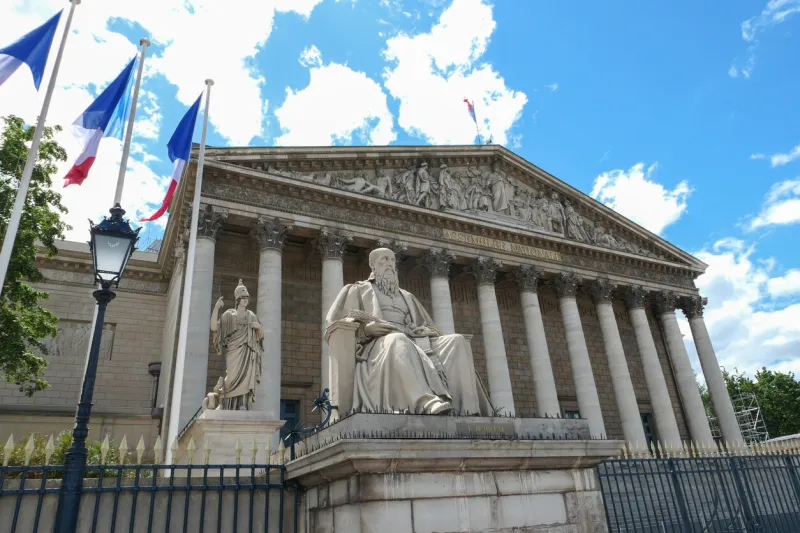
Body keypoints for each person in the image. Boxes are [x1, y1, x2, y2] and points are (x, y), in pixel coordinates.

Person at [325, 248, 492, 415]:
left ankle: (467, 409)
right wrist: (366, 330)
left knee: (456, 341)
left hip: (415, 340)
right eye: (384, 259)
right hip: (379, 343)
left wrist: (421, 330)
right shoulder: (358, 290)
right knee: (398, 340)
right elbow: (335, 324)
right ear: (373, 265)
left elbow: (430, 327)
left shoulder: (407, 296)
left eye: (392, 260)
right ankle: (425, 403)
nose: (389, 264)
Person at [206, 280, 264, 410]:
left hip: (248, 351)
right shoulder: (229, 314)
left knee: (246, 378)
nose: (245, 300)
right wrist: (216, 308)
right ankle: (224, 402)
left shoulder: (251, 315)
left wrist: (259, 327)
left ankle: (242, 404)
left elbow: (260, 336)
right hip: (233, 351)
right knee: (231, 378)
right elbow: (214, 327)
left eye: (247, 298)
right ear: (238, 299)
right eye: (243, 298)